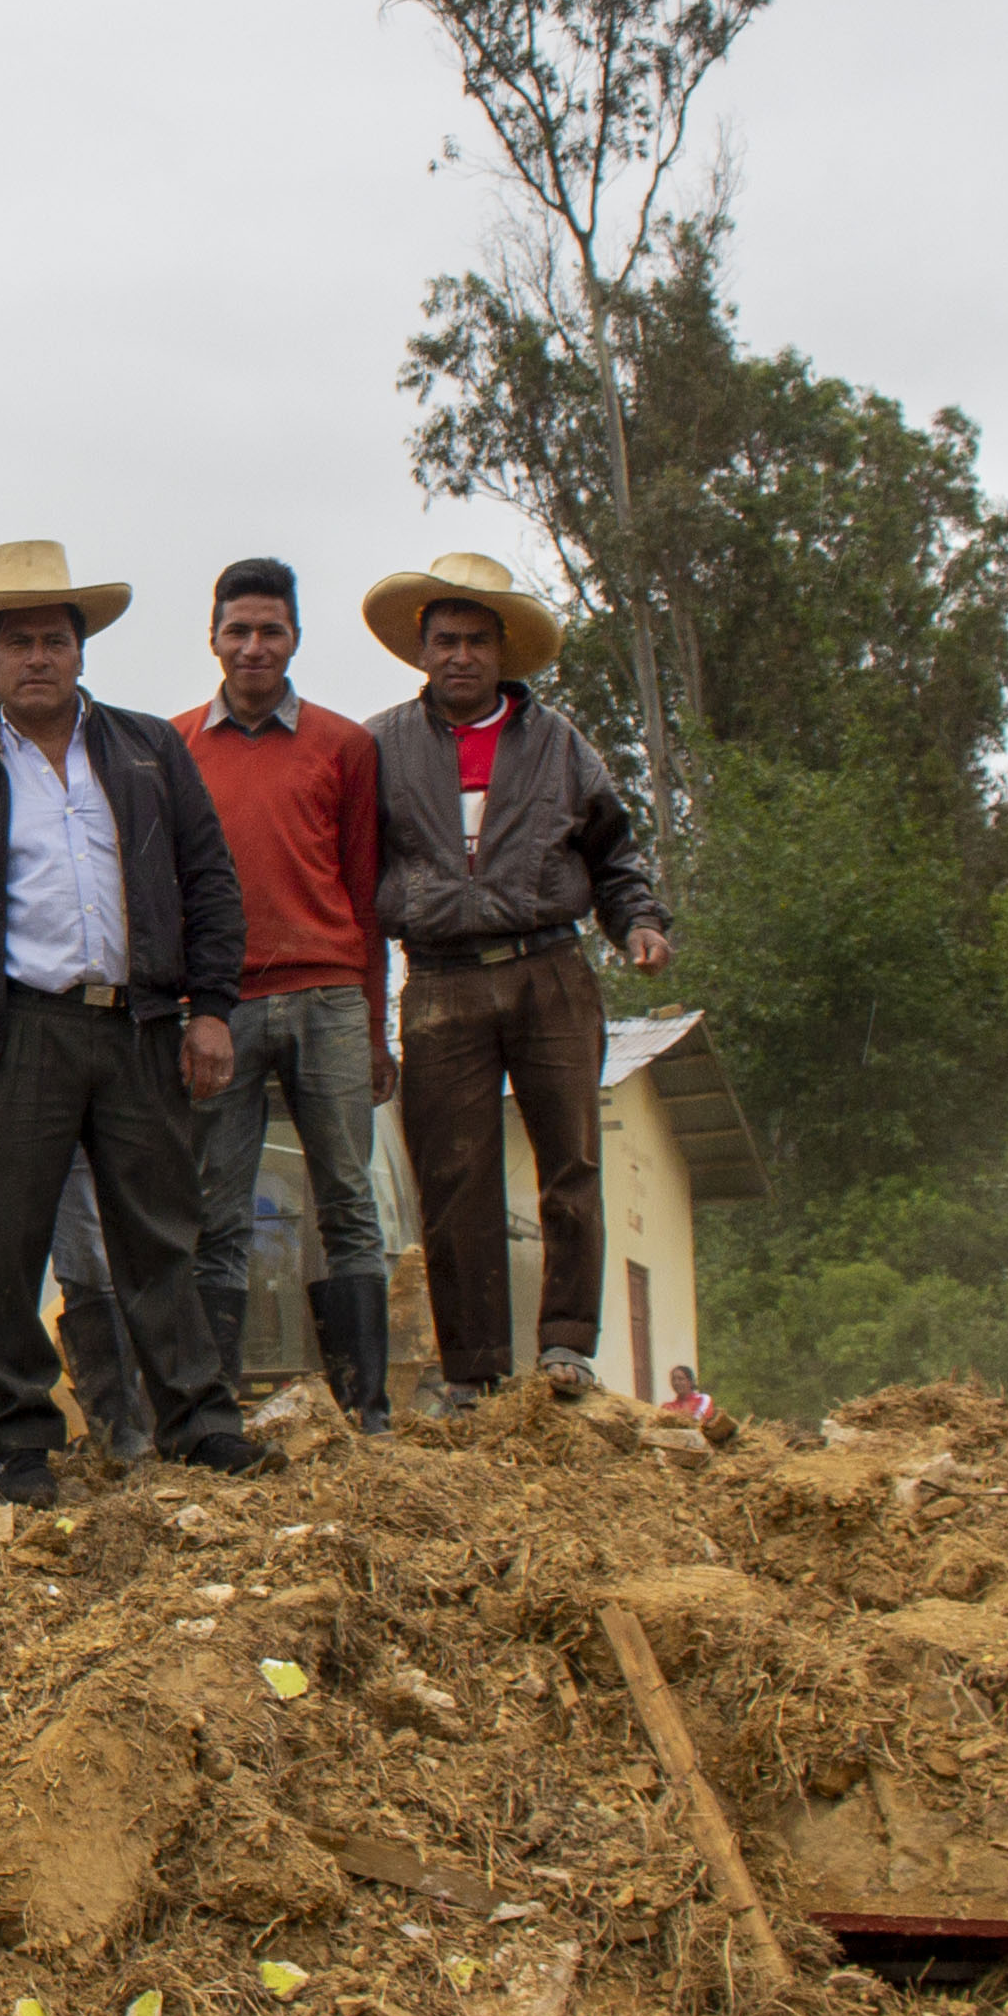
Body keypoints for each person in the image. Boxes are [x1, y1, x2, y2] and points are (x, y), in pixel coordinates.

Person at [0, 539, 265, 1505]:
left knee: (159, 1234)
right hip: (16, 1036)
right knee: (3, 1248)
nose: (38, 658)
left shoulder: (147, 750)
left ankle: (198, 1420)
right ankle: (19, 1436)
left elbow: (209, 882)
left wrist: (211, 1008)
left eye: (55, 639)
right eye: (18, 643)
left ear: (82, 650)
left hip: (138, 1024)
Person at [360, 552, 670, 1405]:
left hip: (550, 965)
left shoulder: (561, 744)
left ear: (503, 653)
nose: (459, 655)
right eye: (445, 640)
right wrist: (361, 997)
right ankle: (473, 1370)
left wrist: (639, 922)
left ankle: (568, 1346)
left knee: (569, 1158)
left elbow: (614, 852)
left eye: (476, 641)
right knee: (452, 1176)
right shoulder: (379, 748)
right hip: (439, 981)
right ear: (421, 650)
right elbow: (355, 875)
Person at [184, 562, 400, 1433]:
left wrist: (377, 1025)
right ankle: (212, 1414)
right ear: (214, 638)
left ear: (295, 639)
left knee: (347, 1195)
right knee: (216, 1206)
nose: (253, 646)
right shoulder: (175, 748)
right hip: (222, 1004)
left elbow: (366, 890)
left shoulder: (345, 748)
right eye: (238, 629)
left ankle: (367, 1408)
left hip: (330, 993)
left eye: (270, 630)